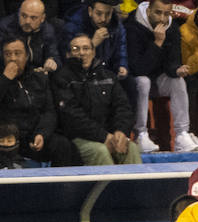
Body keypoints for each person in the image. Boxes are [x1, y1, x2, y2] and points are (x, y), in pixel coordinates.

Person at [0, 37, 78, 165]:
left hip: (34, 135)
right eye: (8, 54)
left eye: (17, 53)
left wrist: (41, 134)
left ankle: (59, 184)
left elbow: (49, 111)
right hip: (7, 137)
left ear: (27, 56)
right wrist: (5, 79)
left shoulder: (38, 77)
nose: (12, 58)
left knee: (64, 146)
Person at [53, 32, 139, 166]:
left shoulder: (108, 76)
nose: (82, 53)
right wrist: (103, 137)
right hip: (76, 138)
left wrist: (120, 132)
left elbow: (123, 107)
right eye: (76, 49)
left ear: (93, 52)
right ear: (68, 54)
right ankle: (108, 187)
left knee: (131, 148)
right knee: (100, 151)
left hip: (107, 134)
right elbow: (72, 117)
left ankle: (135, 187)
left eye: (86, 48)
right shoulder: (62, 78)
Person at [127, 0, 195, 154]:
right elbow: (138, 68)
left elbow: (172, 62)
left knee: (178, 81)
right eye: (158, 13)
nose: (163, 19)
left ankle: (181, 135)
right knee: (143, 81)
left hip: (158, 79)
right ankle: (141, 134)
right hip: (136, 80)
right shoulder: (132, 27)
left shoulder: (171, 29)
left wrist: (176, 70)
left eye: (166, 14)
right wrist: (157, 43)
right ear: (149, 11)